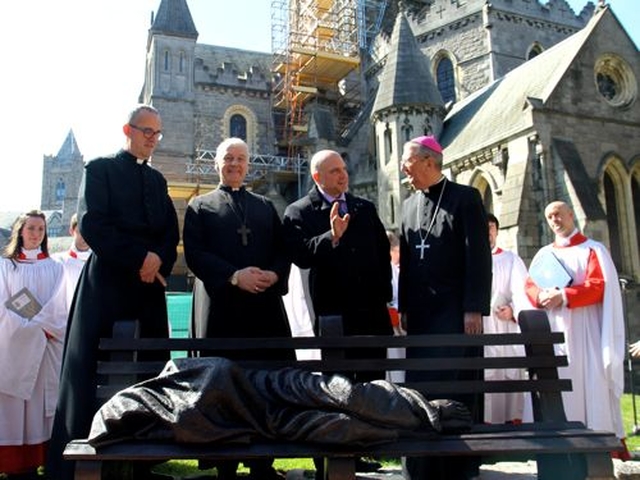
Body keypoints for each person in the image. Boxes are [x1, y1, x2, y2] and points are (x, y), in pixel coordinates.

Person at [47, 104, 180, 480]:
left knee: (146, 375)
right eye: (146, 132)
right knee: (93, 377)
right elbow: (94, 224)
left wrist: (158, 259)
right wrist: (142, 257)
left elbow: (170, 232)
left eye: (157, 134)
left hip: (147, 290)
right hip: (107, 287)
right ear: (128, 130)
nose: (152, 139)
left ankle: (138, 464)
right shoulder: (100, 170)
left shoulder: (157, 182)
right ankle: (86, 464)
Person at [183, 137, 292, 480]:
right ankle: (225, 465)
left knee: (265, 382)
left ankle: (264, 463)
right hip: (221, 310)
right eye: (228, 158)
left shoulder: (264, 205)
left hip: (263, 309)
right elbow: (196, 254)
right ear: (216, 164)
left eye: (240, 159)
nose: (234, 164)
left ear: (248, 165)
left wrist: (274, 273)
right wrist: (233, 276)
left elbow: (281, 248)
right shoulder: (200, 206)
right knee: (220, 387)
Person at [282, 149, 392, 476]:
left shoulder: (364, 208)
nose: (342, 175)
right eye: (333, 171)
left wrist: (386, 298)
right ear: (317, 177)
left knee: (371, 386)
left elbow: (383, 256)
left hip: (371, 314)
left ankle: (363, 450)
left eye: (343, 169)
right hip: (333, 318)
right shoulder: (299, 211)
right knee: (336, 389)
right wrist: (332, 236)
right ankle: (330, 455)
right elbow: (300, 255)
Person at [398, 135, 492, 480]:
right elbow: (407, 261)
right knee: (420, 389)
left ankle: (457, 465)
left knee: (454, 388)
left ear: (427, 161)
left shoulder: (465, 198)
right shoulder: (408, 205)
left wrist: (473, 307)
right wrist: (405, 306)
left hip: (455, 314)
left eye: (408, 163)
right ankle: (422, 465)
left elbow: (478, 256)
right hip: (421, 317)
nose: (404, 170)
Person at [524, 200, 629, 458]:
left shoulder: (593, 250)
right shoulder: (543, 255)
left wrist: (565, 296)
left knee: (590, 384)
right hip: (555, 330)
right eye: (549, 216)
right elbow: (529, 285)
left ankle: (600, 450)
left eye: (559, 214)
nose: (555, 220)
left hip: (587, 330)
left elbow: (597, 285)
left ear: (571, 214)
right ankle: (566, 451)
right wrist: (541, 296)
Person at [0, 210, 67, 479]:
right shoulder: (5, 267)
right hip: (12, 348)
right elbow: (3, 308)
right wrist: (30, 331)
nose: (36, 234)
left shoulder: (55, 267)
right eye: (31, 229)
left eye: (41, 229)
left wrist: (43, 330)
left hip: (45, 348)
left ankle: (40, 460)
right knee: (12, 407)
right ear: (20, 231)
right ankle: (14, 464)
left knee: (40, 406)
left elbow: (60, 307)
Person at [483, 213, 529, 425]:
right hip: (481, 329)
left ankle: (513, 425)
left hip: (505, 327)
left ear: (497, 231)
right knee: (485, 376)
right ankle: (486, 426)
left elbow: (523, 293)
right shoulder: (467, 260)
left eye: (491, 227)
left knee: (509, 373)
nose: (487, 232)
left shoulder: (511, 259)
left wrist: (512, 310)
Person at [51, 213, 92, 308]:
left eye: (89, 231)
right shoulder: (57, 261)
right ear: (71, 231)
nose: (85, 236)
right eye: (81, 231)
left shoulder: (100, 263)